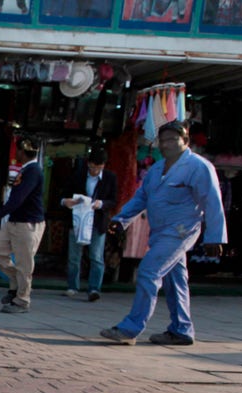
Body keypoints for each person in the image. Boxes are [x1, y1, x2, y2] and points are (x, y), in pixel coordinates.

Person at [99, 121, 226, 346]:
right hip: (159, 232)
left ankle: (131, 327)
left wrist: (215, 237)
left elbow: (213, 202)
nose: (167, 144)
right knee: (175, 281)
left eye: (172, 139)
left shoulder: (199, 167)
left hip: (181, 232)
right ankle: (181, 329)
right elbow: (141, 198)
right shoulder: (157, 168)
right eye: (163, 140)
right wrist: (121, 220)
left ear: (185, 141)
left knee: (149, 270)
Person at [0, 137, 46, 313]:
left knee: (25, 264)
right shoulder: (25, 170)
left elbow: (18, 199)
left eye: (17, 150)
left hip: (28, 224)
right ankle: (16, 283)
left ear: (22, 152)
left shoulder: (33, 171)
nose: (16, 154)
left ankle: (22, 300)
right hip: (15, 221)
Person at [61, 147, 118, 302]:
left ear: (104, 165)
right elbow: (64, 195)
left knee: (96, 256)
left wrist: (101, 204)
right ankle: (73, 285)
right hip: (77, 220)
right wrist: (66, 201)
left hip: (98, 221)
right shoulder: (78, 176)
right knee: (74, 256)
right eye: (92, 167)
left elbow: (113, 200)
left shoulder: (109, 178)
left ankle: (94, 288)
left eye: (98, 168)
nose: (94, 171)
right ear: (88, 164)